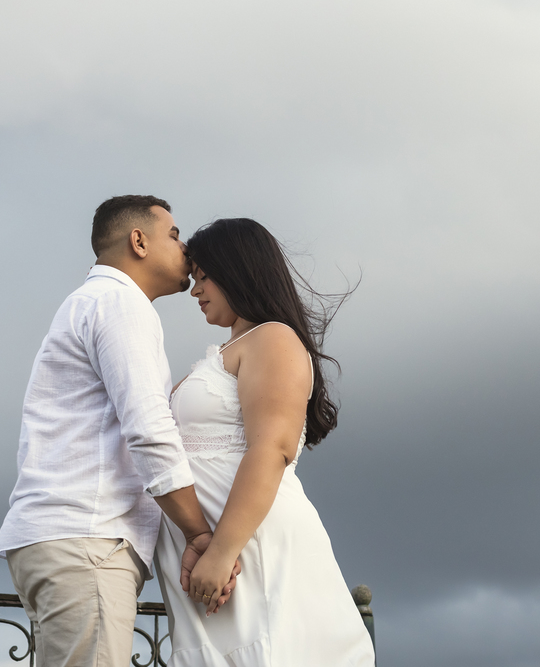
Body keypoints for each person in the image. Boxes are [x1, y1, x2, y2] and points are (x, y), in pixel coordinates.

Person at [0, 195, 237, 667]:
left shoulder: (89, 302)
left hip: (58, 539)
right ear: (138, 241)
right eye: (173, 235)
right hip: (87, 540)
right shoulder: (121, 304)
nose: (185, 249)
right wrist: (199, 535)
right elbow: (149, 429)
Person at [155, 218, 375, 666]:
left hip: (248, 551)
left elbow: (272, 448)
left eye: (204, 276)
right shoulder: (224, 351)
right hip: (214, 560)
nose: (195, 290)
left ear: (239, 269)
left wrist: (221, 551)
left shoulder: (272, 338)